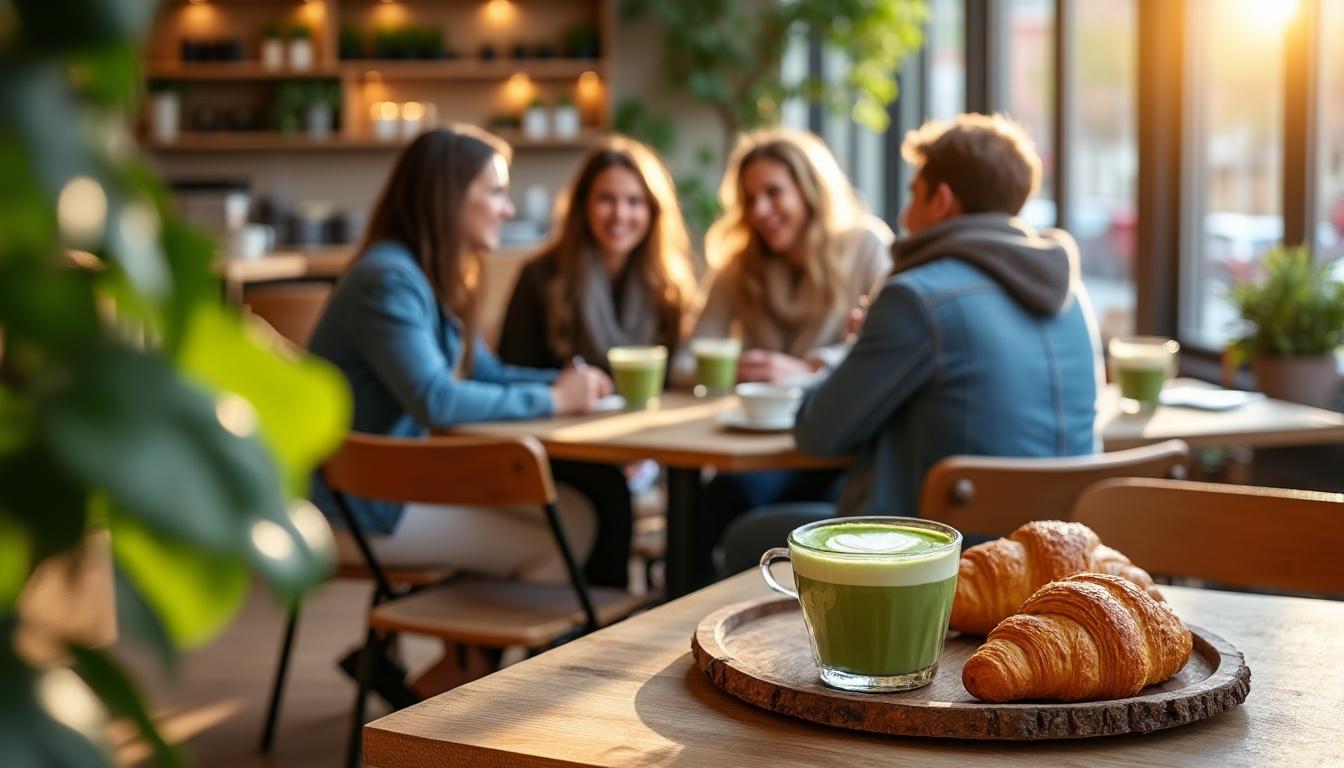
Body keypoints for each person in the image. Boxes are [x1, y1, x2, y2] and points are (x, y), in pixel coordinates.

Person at [307, 127, 612, 697]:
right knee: (567, 528)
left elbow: (484, 373)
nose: (510, 206)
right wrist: (553, 400)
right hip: (356, 508)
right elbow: (436, 398)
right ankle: (448, 697)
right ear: (449, 196)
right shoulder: (389, 280)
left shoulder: (419, 274)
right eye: (496, 191)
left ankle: (455, 678)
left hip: (389, 493)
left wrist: (569, 384)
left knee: (573, 511)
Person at [790, 112, 1103, 521]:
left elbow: (818, 432)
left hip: (942, 557)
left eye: (914, 194)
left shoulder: (915, 299)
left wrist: (855, 346)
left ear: (941, 201)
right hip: (1061, 549)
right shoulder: (1073, 293)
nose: (903, 218)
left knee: (745, 535)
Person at [687, 127, 894, 582]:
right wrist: (729, 369)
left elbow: (888, 349)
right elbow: (691, 354)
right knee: (722, 493)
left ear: (809, 189)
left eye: (773, 192)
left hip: (836, 446)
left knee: (734, 499)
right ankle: (685, 622)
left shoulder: (865, 246)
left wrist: (807, 368)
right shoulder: (740, 265)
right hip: (764, 444)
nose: (760, 210)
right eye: (749, 198)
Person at [497, 136, 696, 589]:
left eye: (633, 202)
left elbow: (674, 386)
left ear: (653, 211)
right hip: (556, 449)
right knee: (607, 492)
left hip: (642, 452)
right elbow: (511, 375)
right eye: (606, 199)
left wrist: (643, 454)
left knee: (699, 500)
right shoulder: (541, 277)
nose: (620, 215)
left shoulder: (668, 285)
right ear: (583, 205)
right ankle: (596, 627)